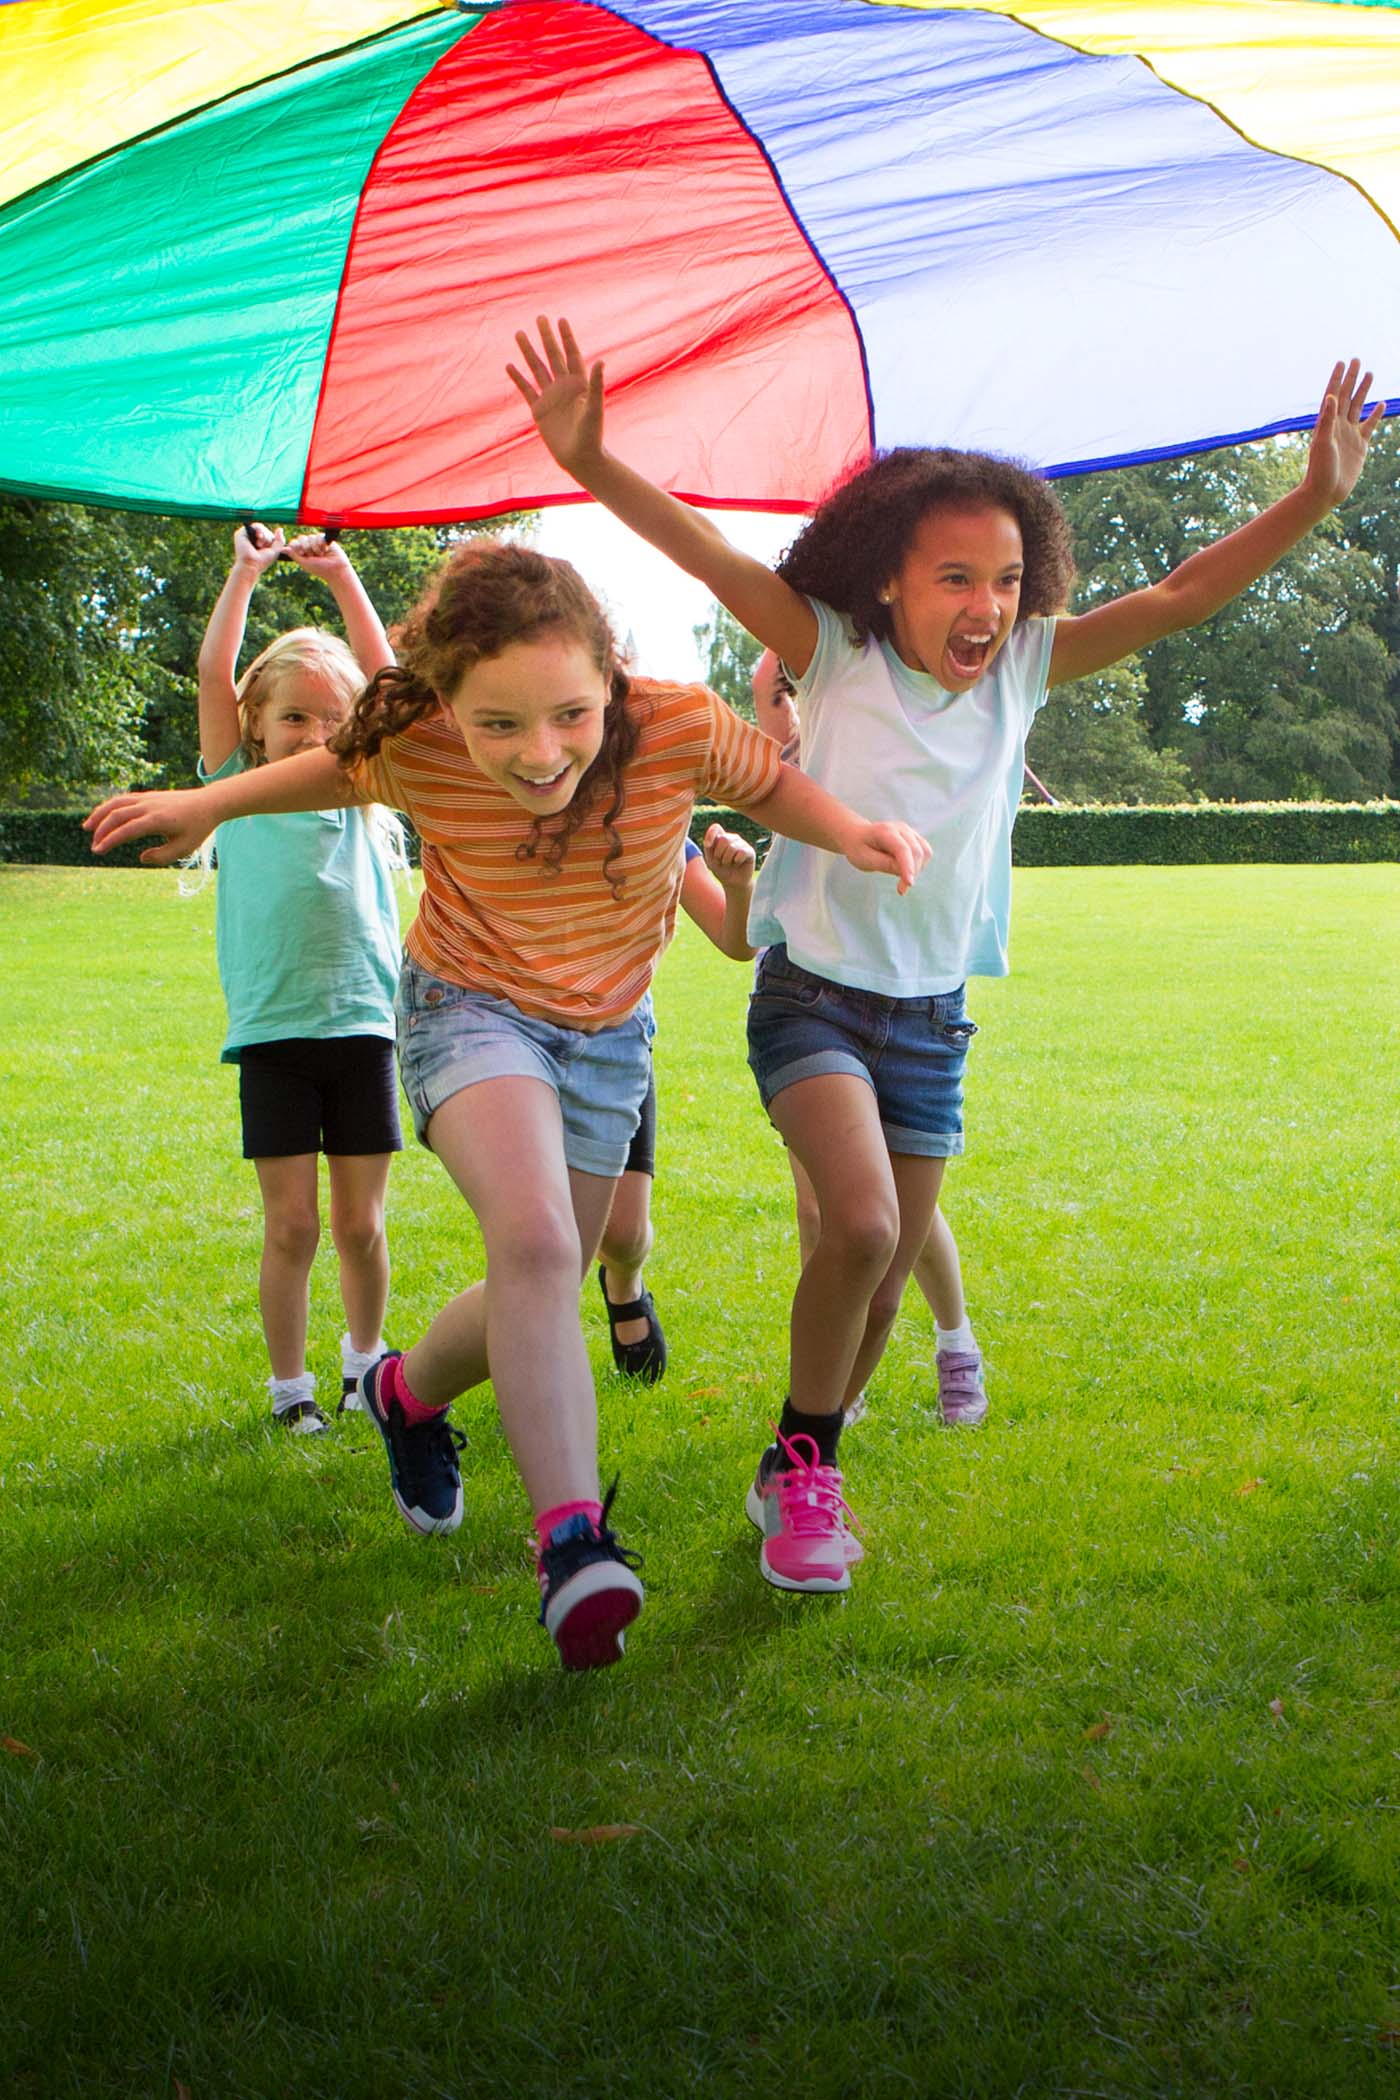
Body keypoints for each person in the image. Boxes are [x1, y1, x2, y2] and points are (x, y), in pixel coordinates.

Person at [508, 316, 1380, 1596]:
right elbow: (703, 552)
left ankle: (798, 1460)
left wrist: (1311, 496)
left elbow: (1183, 593)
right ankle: (808, 1464)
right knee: (857, 1227)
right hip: (811, 1000)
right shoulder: (833, 653)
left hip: (930, 1020)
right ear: (887, 586)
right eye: (956, 577)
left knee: (873, 1288)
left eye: (1008, 578)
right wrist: (592, 461)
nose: (987, 605)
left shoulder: (1024, 669)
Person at [87, 538, 929, 1670]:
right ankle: (574, 1544)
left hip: (604, 1041)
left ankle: (404, 1395)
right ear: (447, 705)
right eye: (499, 726)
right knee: (533, 1243)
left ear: (611, 678)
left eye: (570, 716)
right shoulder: (415, 745)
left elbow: (769, 782)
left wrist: (853, 832)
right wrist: (210, 805)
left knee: (547, 1277)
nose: (540, 755)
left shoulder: (674, 725)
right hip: (466, 1011)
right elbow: (326, 771)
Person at [194, 523, 403, 1435]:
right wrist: (245, 571)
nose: (313, 733)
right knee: (292, 1228)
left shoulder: (365, 782)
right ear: (256, 725)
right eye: (293, 717)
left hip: (364, 1029)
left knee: (360, 1226)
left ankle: (365, 1366)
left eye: (330, 719)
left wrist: (346, 576)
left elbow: (392, 684)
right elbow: (212, 675)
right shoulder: (232, 784)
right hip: (275, 1039)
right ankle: (291, 1390)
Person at [751, 649, 983, 1430]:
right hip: (812, 998)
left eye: (786, 700)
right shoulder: (788, 762)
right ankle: (819, 1420)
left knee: (892, 1232)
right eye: (772, 703)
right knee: (841, 1217)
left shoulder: (878, 707)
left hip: (921, 1009)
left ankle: (954, 1341)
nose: (780, 717)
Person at [596, 827, 758, 1381]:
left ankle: (624, 1283)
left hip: (617, 1043)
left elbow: (737, 941)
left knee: (622, 1234)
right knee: (540, 1233)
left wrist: (737, 887)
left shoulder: (657, 821)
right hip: (518, 1042)